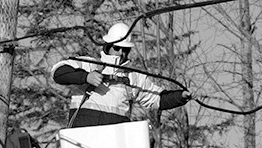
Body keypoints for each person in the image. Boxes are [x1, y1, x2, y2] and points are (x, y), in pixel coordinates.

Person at [51, 22, 192, 128]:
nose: (120, 53)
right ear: (107, 46)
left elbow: (158, 99)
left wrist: (180, 96)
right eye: (116, 48)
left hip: (115, 147)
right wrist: (86, 77)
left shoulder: (133, 77)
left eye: (125, 50)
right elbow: (58, 73)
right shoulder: (89, 65)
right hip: (83, 141)